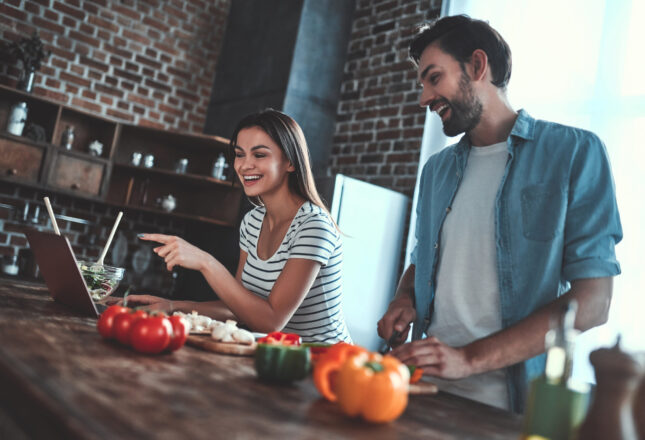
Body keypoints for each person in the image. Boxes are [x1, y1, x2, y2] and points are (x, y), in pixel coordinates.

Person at [377, 15, 622, 412]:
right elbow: (424, 259)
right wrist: (405, 296)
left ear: (477, 66)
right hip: (424, 394)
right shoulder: (436, 171)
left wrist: (468, 359)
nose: (423, 98)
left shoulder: (575, 153)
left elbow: (593, 303)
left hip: (513, 409)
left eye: (433, 78)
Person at [125, 109, 351, 344]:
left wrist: (206, 262)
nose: (244, 166)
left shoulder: (313, 226)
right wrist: (171, 306)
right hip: (277, 354)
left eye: (259, 155)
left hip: (326, 361)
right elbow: (239, 307)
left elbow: (271, 321)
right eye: (239, 154)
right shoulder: (252, 222)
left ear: (290, 162)